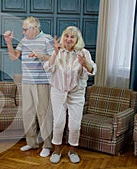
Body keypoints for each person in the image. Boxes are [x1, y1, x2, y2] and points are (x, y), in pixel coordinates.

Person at [43, 26, 97, 164]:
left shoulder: (83, 53)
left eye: (72, 37)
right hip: (58, 92)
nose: (68, 39)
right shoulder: (57, 51)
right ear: (63, 37)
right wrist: (55, 53)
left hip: (76, 93)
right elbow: (48, 68)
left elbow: (92, 70)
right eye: (66, 36)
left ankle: (72, 151)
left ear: (77, 39)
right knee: (59, 123)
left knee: (74, 125)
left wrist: (85, 63)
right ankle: (56, 150)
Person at [3, 16, 54, 157]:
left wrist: (40, 55)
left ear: (34, 28)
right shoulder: (24, 41)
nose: (23, 32)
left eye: (25, 29)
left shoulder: (47, 39)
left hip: (42, 82)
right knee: (28, 113)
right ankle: (32, 143)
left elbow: (54, 59)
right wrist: (8, 43)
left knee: (43, 114)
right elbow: (14, 57)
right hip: (27, 82)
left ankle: (47, 145)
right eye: (23, 30)